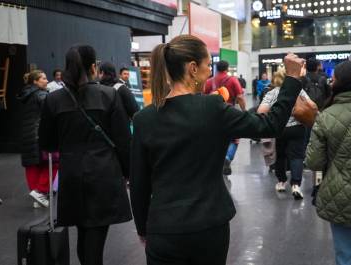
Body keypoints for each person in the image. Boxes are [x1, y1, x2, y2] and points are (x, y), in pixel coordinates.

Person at [130, 34, 304, 265]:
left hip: (163, 228)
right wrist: (291, 79)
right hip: (209, 225)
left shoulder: (144, 119)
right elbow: (269, 125)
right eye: (206, 66)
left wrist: (143, 228)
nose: (209, 73)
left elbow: (139, 183)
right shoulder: (211, 108)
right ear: (192, 68)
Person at [39, 45, 133, 265]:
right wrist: (128, 172)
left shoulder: (53, 100)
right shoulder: (108, 95)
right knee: (95, 236)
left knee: (84, 233)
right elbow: (123, 141)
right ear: (93, 67)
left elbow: (47, 143)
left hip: (71, 175)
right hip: (104, 174)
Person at [306, 61, 351, 265]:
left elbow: (314, 161)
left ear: (338, 83)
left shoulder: (326, 116)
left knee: (347, 254)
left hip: (340, 196)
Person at [258, 68, 309, 199]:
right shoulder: (299, 91)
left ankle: (281, 182)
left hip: (279, 129)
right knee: (297, 156)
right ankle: (296, 185)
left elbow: (261, 111)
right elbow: (311, 106)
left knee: (280, 155)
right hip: (297, 127)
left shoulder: (273, 93)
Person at [17, 70, 58, 208]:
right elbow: (52, 112)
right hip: (39, 135)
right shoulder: (41, 94)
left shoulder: (26, 95)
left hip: (26, 135)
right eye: (43, 78)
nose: (47, 81)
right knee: (55, 162)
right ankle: (40, 191)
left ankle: (38, 197)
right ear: (35, 81)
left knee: (32, 165)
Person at [204, 60, 247, 175]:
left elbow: (203, 96)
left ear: (216, 69)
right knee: (234, 138)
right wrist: (244, 111)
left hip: (212, 114)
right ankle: (227, 158)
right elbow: (240, 97)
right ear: (227, 68)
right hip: (229, 113)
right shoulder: (232, 80)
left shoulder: (210, 81)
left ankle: (216, 161)